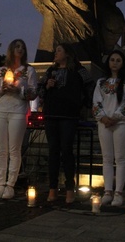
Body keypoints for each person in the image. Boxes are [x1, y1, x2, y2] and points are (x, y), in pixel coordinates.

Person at [38, 43, 94, 203]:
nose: (55, 54)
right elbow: (39, 89)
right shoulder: (51, 71)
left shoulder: (78, 70)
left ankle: (70, 188)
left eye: (59, 51)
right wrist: (47, 86)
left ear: (67, 54)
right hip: (51, 114)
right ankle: (52, 188)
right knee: (53, 151)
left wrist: (84, 106)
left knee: (67, 150)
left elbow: (90, 87)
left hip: (69, 116)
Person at [0, 39, 38, 199]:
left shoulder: (29, 70)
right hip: (1, 110)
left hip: (18, 111)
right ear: (11, 49)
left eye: (22, 47)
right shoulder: (1, 70)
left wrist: (18, 89)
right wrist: (3, 89)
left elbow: (32, 93)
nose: (20, 49)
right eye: (17, 47)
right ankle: (0, 184)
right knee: (1, 150)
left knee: (14, 149)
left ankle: (10, 185)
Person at [92, 50, 125, 207]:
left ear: (122, 63)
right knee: (107, 158)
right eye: (112, 60)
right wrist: (103, 117)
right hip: (104, 123)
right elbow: (96, 102)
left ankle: (118, 193)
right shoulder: (101, 82)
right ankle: (108, 191)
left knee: (120, 158)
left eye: (118, 60)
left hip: (122, 124)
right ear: (108, 62)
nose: (115, 63)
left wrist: (115, 117)